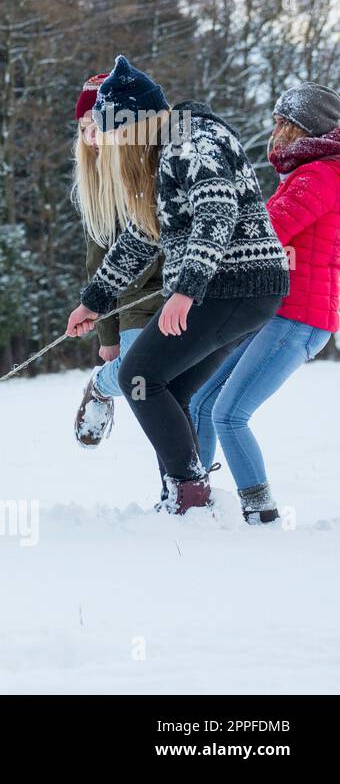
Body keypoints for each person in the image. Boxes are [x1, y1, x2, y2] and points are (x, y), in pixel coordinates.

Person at [65, 55, 290, 514]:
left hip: (235, 286)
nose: (112, 145)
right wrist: (94, 301)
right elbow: (143, 236)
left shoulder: (191, 142)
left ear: (133, 123)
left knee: (139, 375)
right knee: (172, 386)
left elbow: (217, 213)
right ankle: (190, 494)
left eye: (114, 133)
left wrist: (186, 289)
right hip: (233, 290)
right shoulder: (163, 154)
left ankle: (189, 494)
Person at [188, 83, 340, 523]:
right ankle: (191, 496)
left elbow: (267, 234)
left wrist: (206, 243)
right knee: (201, 402)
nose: (273, 131)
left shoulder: (318, 176)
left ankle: (261, 513)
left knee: (230, 414)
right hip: (278, 313)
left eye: (280, 122)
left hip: (298, 318)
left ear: (300, 128)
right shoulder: (309, 173)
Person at [69, 72, 165, 456]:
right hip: (134, 304)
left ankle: (188, 484)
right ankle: (102, 387)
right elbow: (99, 266)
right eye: (82, 128)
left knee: (180, 391)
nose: (90, 136)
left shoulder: (147, 165)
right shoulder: (97, 186)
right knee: (139, 379)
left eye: (96, 125)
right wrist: (106, 336)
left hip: (180, 291)